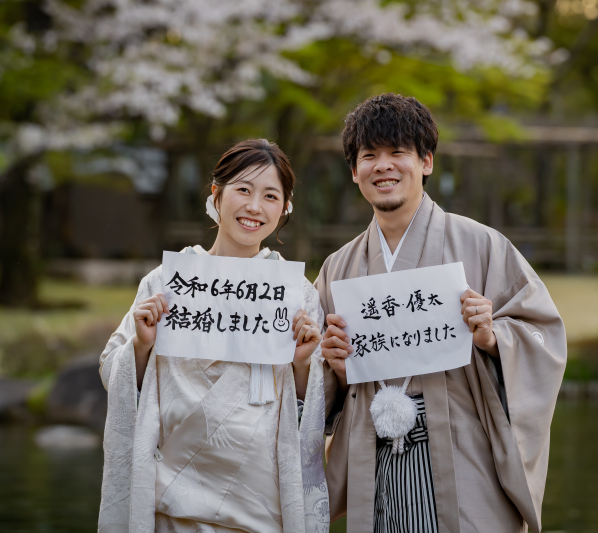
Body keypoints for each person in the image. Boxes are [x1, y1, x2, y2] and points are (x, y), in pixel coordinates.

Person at [315, 94, 567, 533]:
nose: (384, 166)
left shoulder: (482, 245)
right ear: (354, 171)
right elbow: (316, 382)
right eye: (369, 155)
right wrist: (333, 365)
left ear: (426, 162)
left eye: (398, 153)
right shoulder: (339, 267)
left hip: (461, 455)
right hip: (372, 458)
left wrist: (492, 337)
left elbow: (543, 337)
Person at [98, 139, 330, 533]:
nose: (255, 207)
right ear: (216, 194)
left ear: (284, 207)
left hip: (261, 501)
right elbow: (112, 369)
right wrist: (141, 345)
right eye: (243, 189)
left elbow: (315, 406)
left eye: (270, 195)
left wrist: (303, 362)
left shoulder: (298, 294)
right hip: (172, 499)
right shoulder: (166, 282)